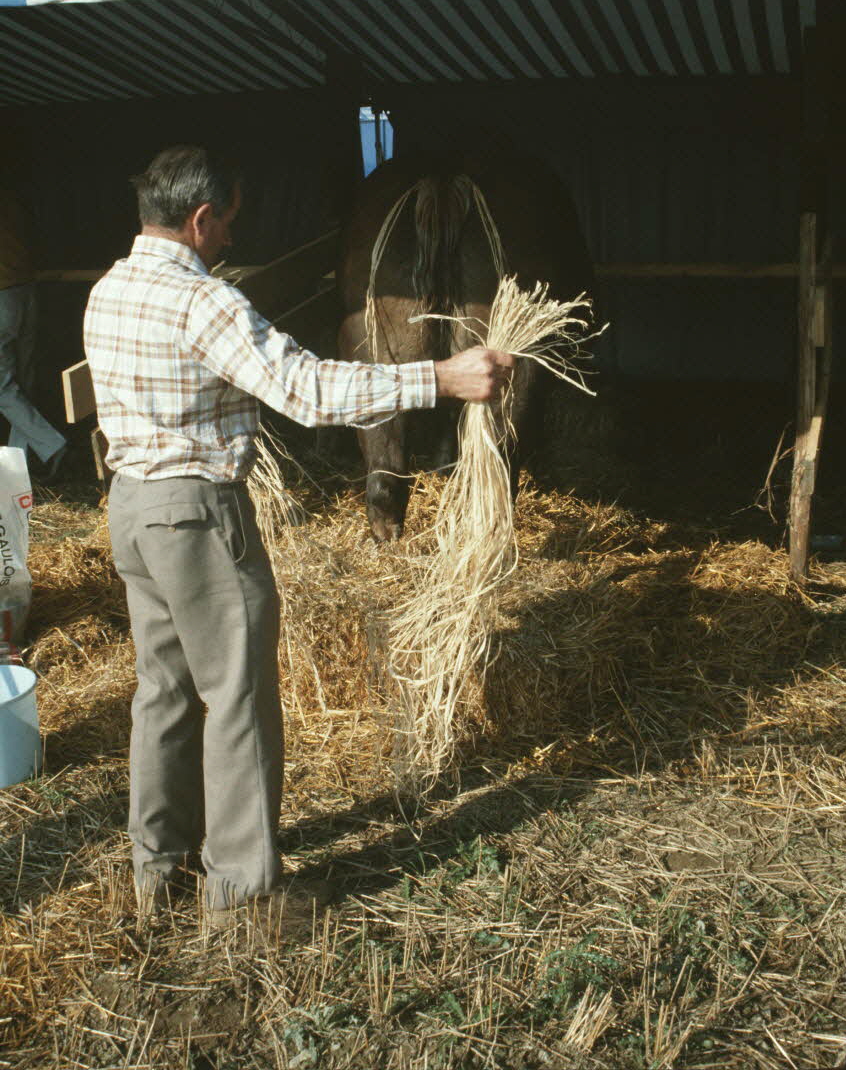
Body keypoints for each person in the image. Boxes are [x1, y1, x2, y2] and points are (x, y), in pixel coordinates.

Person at [83, 144, 514, 927]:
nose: (230, 241)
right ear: (201, 218)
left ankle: (158, 869)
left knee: (163, 694)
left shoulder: (108, 290)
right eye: (228, 225)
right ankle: (244, 894)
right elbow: (309, 390)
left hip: (132, 511)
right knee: (239, 697)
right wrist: (442, 379)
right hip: (196, 516)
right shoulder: (202, 302)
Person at [0, 187, 67, 477]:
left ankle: (53, 444)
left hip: (1, 294)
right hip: (25, 290)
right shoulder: (11, 198)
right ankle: (19, 470)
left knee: (2, 387)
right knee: (22, 384)